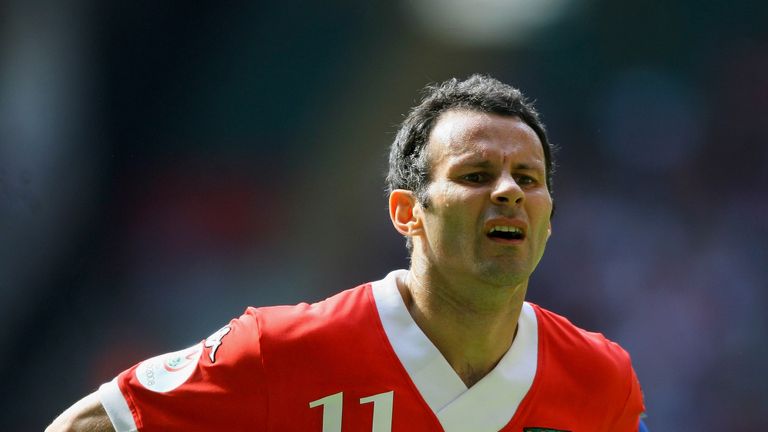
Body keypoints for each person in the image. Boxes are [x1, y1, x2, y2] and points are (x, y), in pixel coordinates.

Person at [48, 74, 647, 431]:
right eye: (476, 174)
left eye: (528, 176)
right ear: (408, 213)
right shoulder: (277, 352)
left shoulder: (603, 382)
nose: (510, 191)